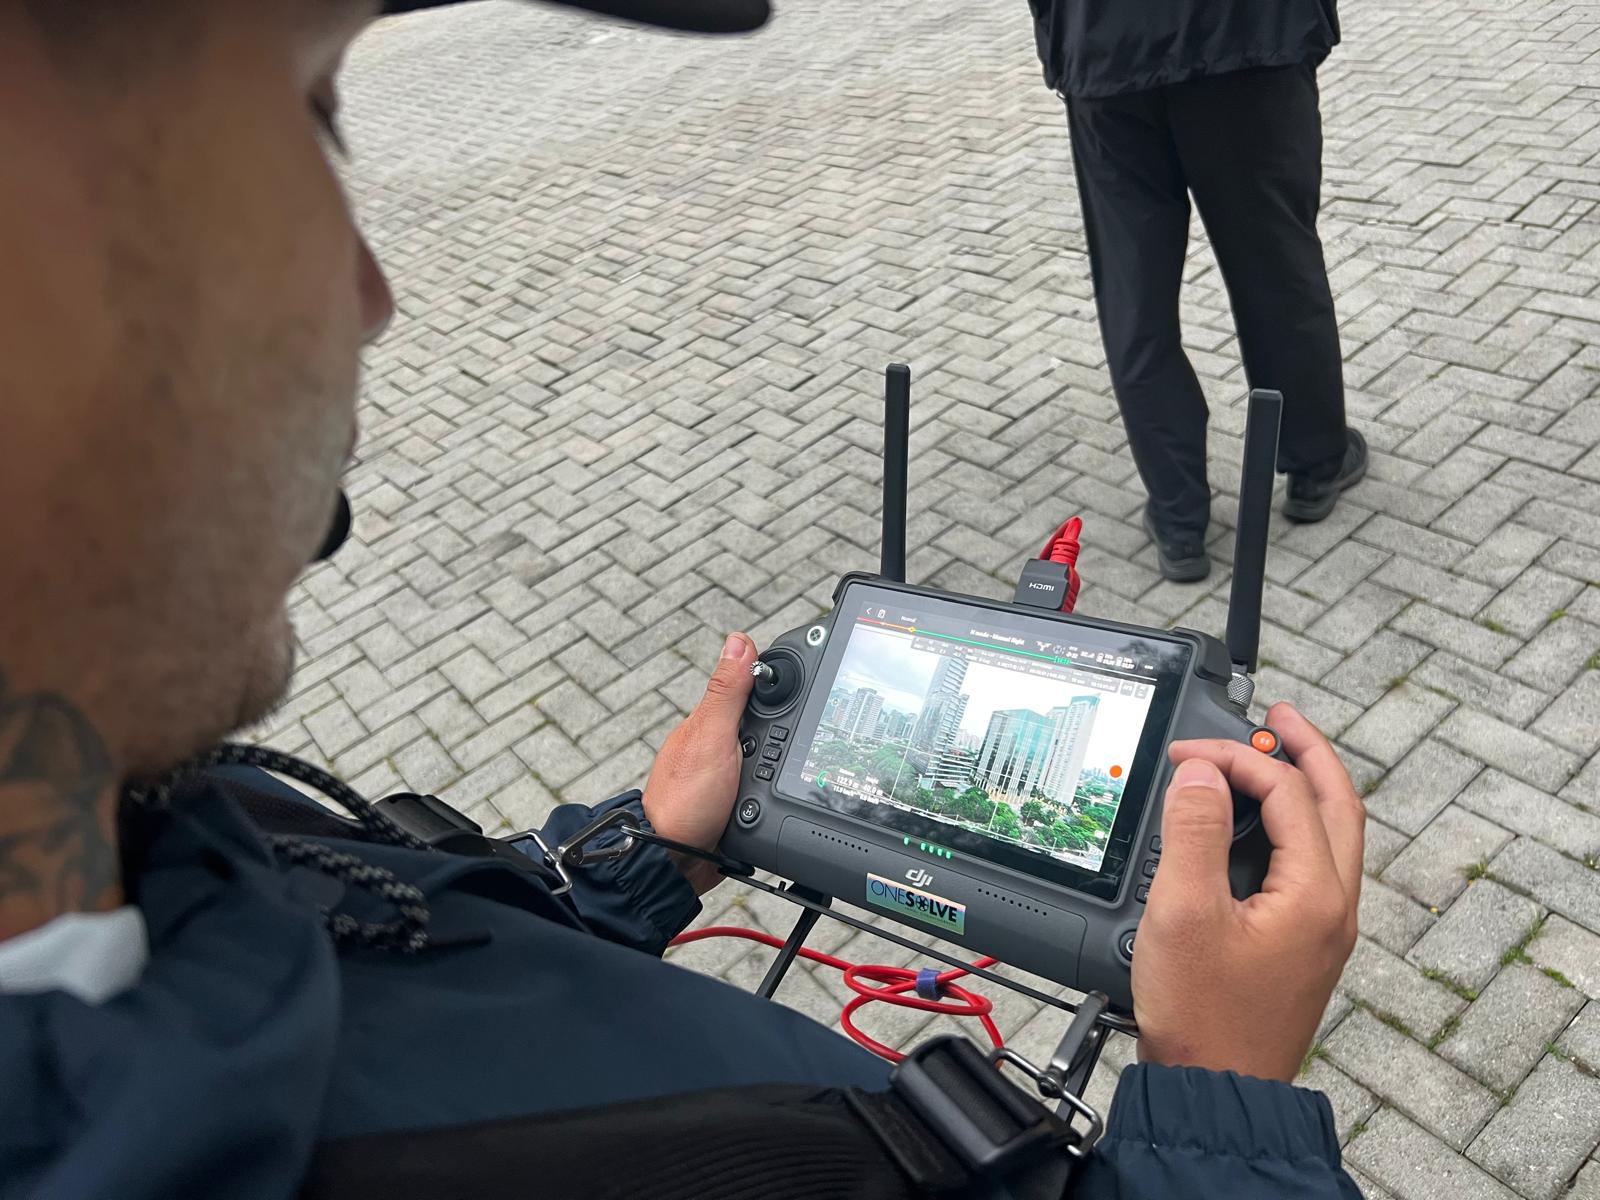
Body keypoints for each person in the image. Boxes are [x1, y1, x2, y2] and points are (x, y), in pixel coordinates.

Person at [0, 1, 1365, 1197]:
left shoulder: (150, 828)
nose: (371, 296)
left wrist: (640, 852)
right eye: (311, 119)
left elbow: (444, 975)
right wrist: (1225, 1102)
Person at [1024, 0, 1368, 582]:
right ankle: (1314, 461)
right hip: (1246, 36)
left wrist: (1063, 39)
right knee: (1278, 267)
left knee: (1135, 294)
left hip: (1109, 48)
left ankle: (1179, 516)